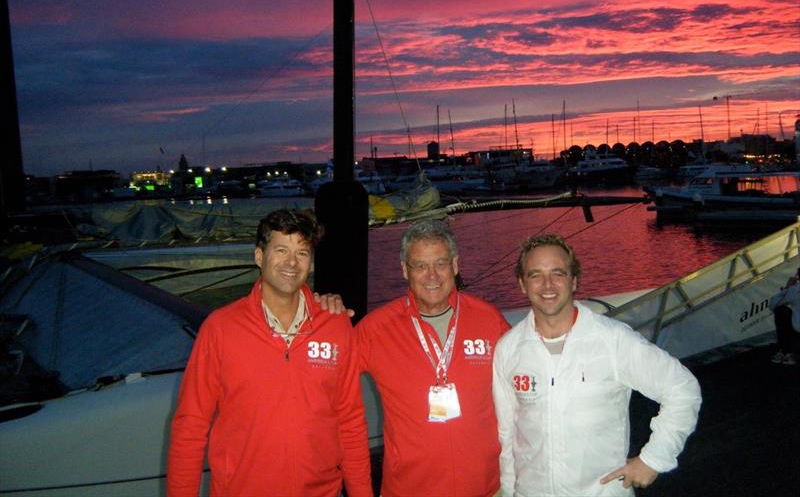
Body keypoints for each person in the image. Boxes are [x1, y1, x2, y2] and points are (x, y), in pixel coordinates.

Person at [167, 209, 372, 497]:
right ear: (259, 257)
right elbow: (190, 426)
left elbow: (350, 422)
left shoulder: (335, 326)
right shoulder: (221, 328)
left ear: (311, 262)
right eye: (281, 250)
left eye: (302, 252)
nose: (291, 262)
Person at [493, 234, 701, 496]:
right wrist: (510, 489)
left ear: (574, 280)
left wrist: (654, 458)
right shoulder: (509, 349)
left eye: (558, 273)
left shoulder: (611, 340)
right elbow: (508, 433)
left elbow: (682, 388)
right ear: (522, 284)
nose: (547, 284)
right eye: (535, 275)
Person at [356, 218, 511, 497]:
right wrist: (320, 311)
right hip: (410, 489)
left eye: (440, 264)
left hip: (486, 487)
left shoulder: (489, 319)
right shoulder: (375, 329)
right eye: (420, 266)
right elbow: (325, 383)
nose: (432, 276)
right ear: (405, 270)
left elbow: (527, 387)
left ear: (455, 265)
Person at [769, 267, 800, 365]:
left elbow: (773, 304)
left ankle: (786, 352)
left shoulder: (795, 290)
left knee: (781, 311)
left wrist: (788, 287)